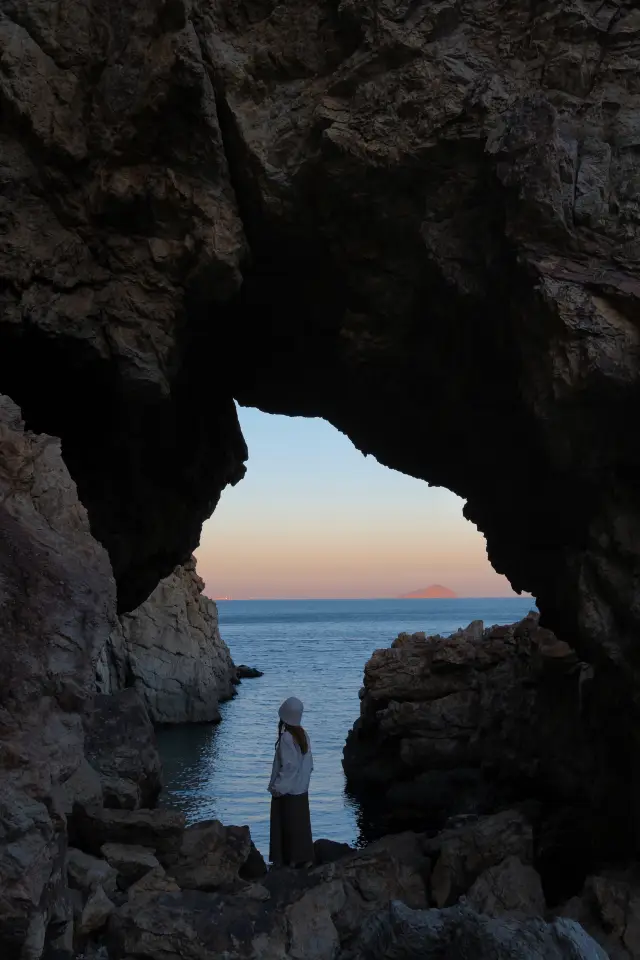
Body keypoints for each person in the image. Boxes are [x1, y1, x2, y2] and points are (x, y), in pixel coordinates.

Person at [268, 696, 314, 868]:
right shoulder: (303, 734)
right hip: (301, 788)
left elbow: (289, 766)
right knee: (300, 824)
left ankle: (289, 861)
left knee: (286, 825)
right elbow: (308, 764)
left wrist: (278, 787)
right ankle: (305, 858)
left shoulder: (287, 737)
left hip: (288, 789)